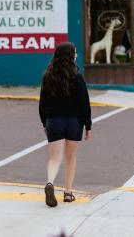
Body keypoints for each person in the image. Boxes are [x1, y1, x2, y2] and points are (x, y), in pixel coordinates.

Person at [39, 42, 92, 207]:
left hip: (54, 121)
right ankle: (68, 193)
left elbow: (43, 103)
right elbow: (85, 103)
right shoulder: (78, 77)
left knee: (54, 158)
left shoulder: (48, 76)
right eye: (75, 52)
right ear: (70, 56)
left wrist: (44, 123)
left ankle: (49, 183)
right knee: (70, 158)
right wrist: (88, 125)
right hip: (74, 122)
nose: (76, 55)